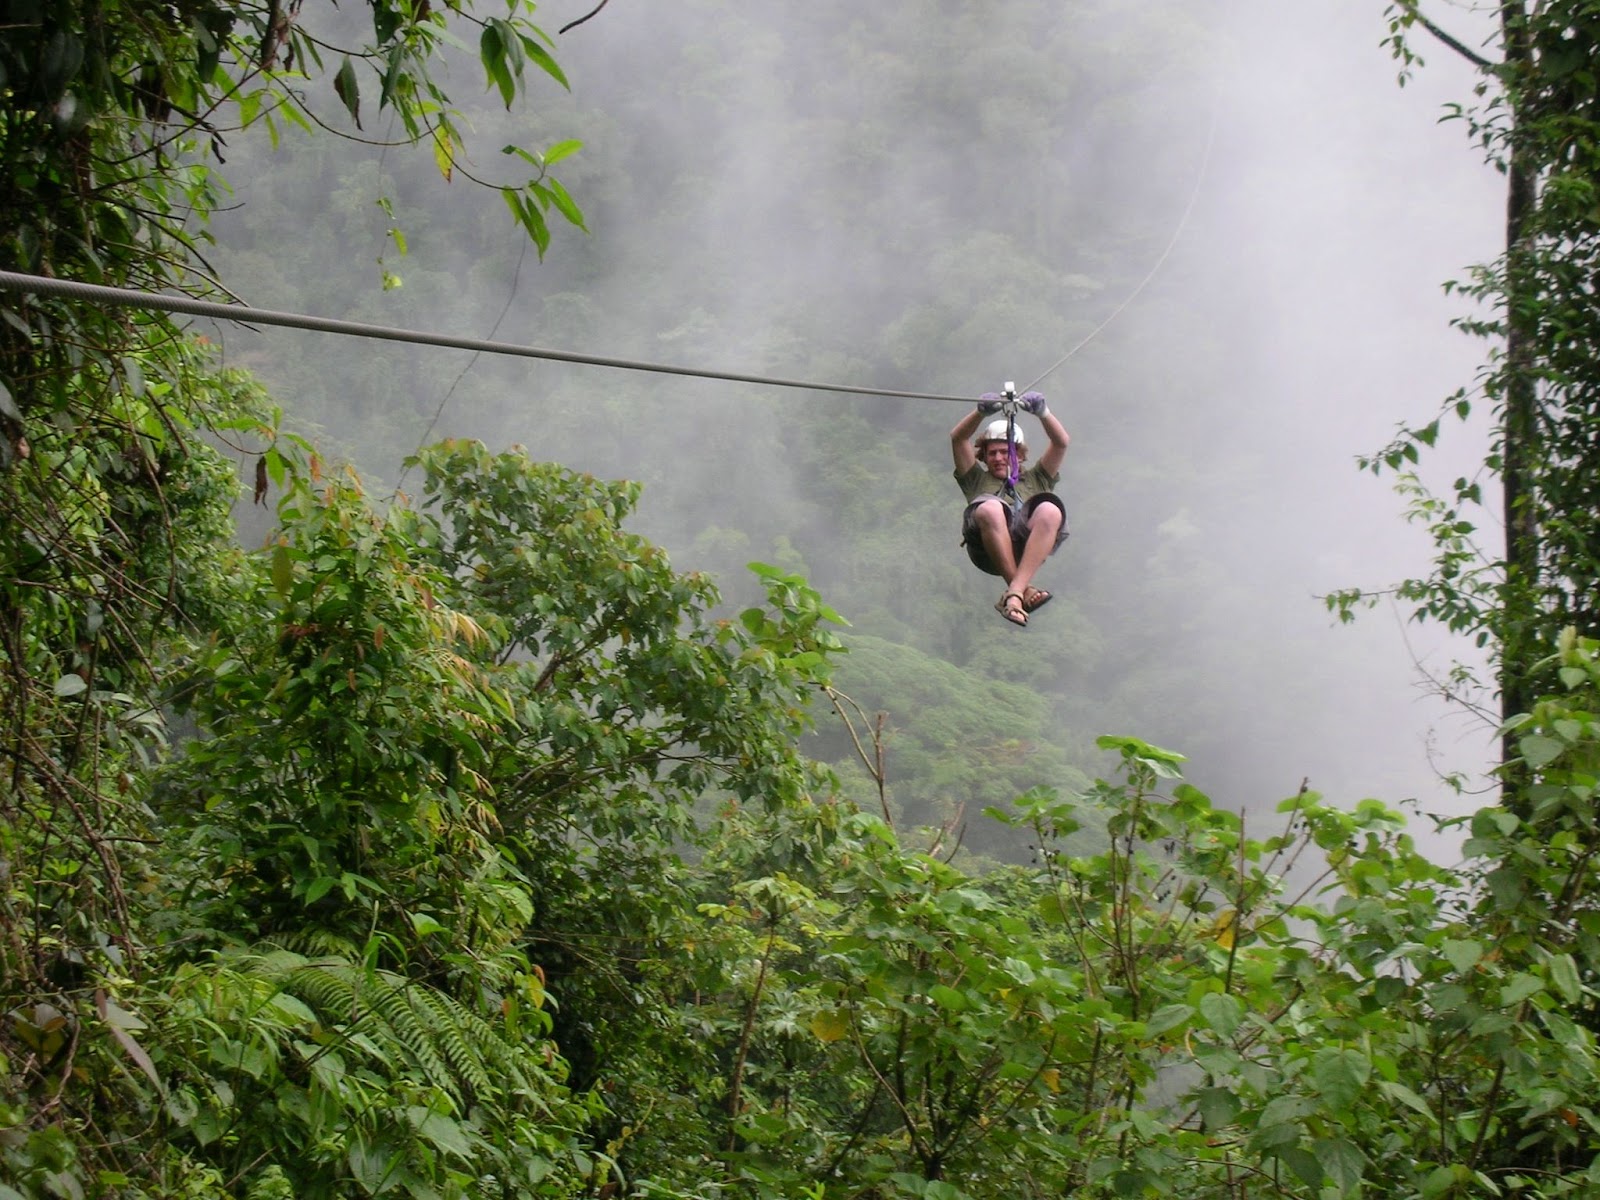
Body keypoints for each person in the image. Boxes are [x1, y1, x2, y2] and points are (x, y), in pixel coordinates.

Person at [950, 391, 1070, 627]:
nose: (998, 458)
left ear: (1019, 455)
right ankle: (1020, 590)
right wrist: (980, 413)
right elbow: (957, 439)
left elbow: (1061, 442)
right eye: (992, 453)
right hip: (986, 550)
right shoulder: (975, 479)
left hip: (1026, 551)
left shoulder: (1037, 479)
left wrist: (1043, 413)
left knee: (1050, 510)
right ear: (984, 456)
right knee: (992, 508)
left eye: (1005, 452)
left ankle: (1014, 594)